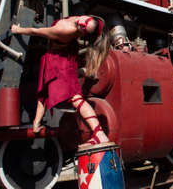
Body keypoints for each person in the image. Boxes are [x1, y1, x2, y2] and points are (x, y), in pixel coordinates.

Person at [11, 15, 111, 148]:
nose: (82, 24)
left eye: (84, 29)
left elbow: (37, 32)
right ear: (88, 17)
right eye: (85, 21)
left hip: (60, 61)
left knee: (75, 98)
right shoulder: (80, 20)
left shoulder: (66, 30)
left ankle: (99, 134)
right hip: (56, 57)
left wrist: (18, 30)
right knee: (45, 90)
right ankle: (36, 123)